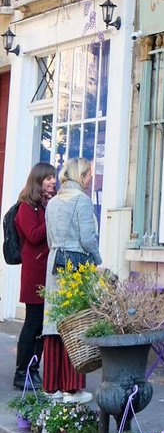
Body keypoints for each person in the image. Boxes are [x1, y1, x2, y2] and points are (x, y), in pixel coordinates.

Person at [42, 157, 101, 403]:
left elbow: (48, 237)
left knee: (55, 322)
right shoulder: (82, 201)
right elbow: (88, 238)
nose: (90, 179)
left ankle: (52, 387)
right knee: (75, 323)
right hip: (76, 264)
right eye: (89, 175)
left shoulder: (53, 202)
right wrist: (97, 258)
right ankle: (72, 388)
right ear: (82, 175)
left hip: (55, 261)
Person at [13, 162, 57, 389]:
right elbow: (33, 236)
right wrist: (51, 215)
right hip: (34, 274)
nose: (52, 181)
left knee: (42, 325)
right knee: (32, 323)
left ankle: (33, 369)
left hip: (47, 273)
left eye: (53, 177)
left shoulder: (44, 206)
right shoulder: (26, 208)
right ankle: (22, 373)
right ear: (37, 181)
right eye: (47, 178)